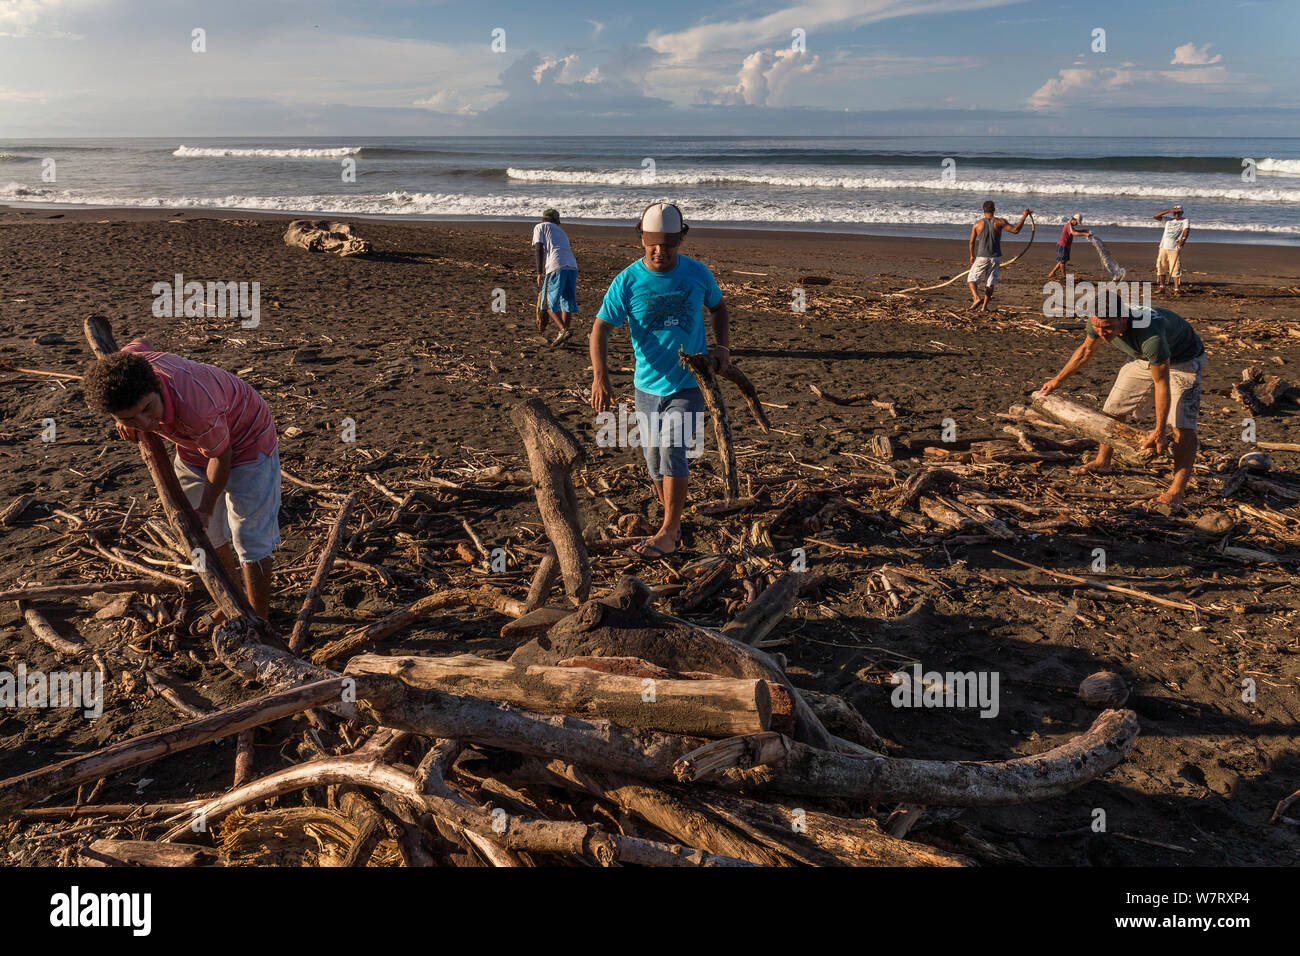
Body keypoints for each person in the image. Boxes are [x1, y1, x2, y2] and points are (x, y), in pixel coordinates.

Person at [82, 340, 280, 628]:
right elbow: (137, 344)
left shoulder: (197, 406)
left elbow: (221, 457)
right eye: (129, 418)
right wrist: (128, 418)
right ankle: (233, 602)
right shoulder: (133, 368)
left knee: (250, 536)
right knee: (206, 534)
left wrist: (207, 507)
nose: (146, 423)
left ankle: (259, 618)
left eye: (148, 409)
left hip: (248, 441)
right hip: (194, 446)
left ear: (158, 387)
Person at [590, 201, 731, 559]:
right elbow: (600, 328)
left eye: (668, 243)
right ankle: (673, 518)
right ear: (641, 238)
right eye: (652, 242)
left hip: (689, 383)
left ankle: (668, 531)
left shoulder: (697, 274)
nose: (659, 250)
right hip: (646, 387)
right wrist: (600, 376)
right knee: (654, 461)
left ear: (681, 239)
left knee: (672, 449)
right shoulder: (627, 281)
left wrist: (722, 347)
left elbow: (719, 307)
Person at [1039, 305, 1206, 507]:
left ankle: (1176, 492)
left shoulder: (1150, 336)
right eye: (1097, 327)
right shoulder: (1098, 320)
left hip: (1183, 361)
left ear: (1123, 319)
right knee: (1113, 409)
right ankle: (1103, 462)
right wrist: (1057, 380)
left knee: (1182, 425)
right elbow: (1085, 351)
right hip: (1142, 357)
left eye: (1108, 328)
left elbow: (1161, 383)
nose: (1102, 333)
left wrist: (1159, 430)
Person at [968, 200, 1031, 311]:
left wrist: (972, 256)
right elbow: (1016, 230)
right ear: (994, 210)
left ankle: (976, 298)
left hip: (981, 257)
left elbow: (972, 242)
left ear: (983, 211)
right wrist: (1024, 216)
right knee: (990, 282)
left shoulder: (977, 224)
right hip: (995, 257)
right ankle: (984, 307)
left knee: (971, 280)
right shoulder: (1000, 222)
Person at [533, 208, 579, 347]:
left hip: (556, 266)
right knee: (566, 302)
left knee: (547, 304)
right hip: (572, 266)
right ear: (557, 220)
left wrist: (539, 272)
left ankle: (564, 330)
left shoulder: (540, 227)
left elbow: (539, 248)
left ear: (544, 218)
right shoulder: (561, 232)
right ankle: (564, 338)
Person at [1152, 205, 1190, 296]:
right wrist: (1169, 210)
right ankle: (1162, 288)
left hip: (1174, 248)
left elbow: (1186, 230)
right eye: (1175, 212)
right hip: (1163, 247)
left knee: (1175, 268)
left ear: (1182, 213)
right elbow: (1155, 216)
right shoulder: (1168, 220)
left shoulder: (1185, 220)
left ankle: (1176, 290)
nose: (1176, 214)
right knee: (1161, 267)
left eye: (1178, 212)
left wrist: (1183, 239)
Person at [1047, 214, 1091, 280]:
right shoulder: (1068, 225)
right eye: (1077, 222)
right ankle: (1064, 276)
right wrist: (1084, 234)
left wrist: (1083, 230)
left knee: (1062, 261)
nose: (1077, 224)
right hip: (1062, 246)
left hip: (1066, 246)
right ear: (1074, 220)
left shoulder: (1071, 226)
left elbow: (1075, 231)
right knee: (1062, 262)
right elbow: (1073, 233)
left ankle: (1052, 273)